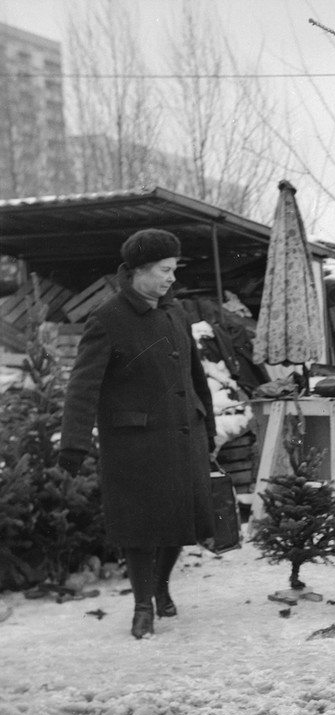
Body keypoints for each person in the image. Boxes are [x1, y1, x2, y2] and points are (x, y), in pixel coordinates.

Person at [59, 229, 216, 641]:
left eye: (174, 270)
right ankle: (142, 605)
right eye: (165, 270)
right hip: (136, 444)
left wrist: (209, 428)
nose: (171, 279)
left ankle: (161, 585)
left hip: (185, 436)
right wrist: (73, 446)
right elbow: (82, 385)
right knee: (141, 527)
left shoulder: (175, 313)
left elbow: (196, 377)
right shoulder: (107, 319)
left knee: (183, 521)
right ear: (138, 272)